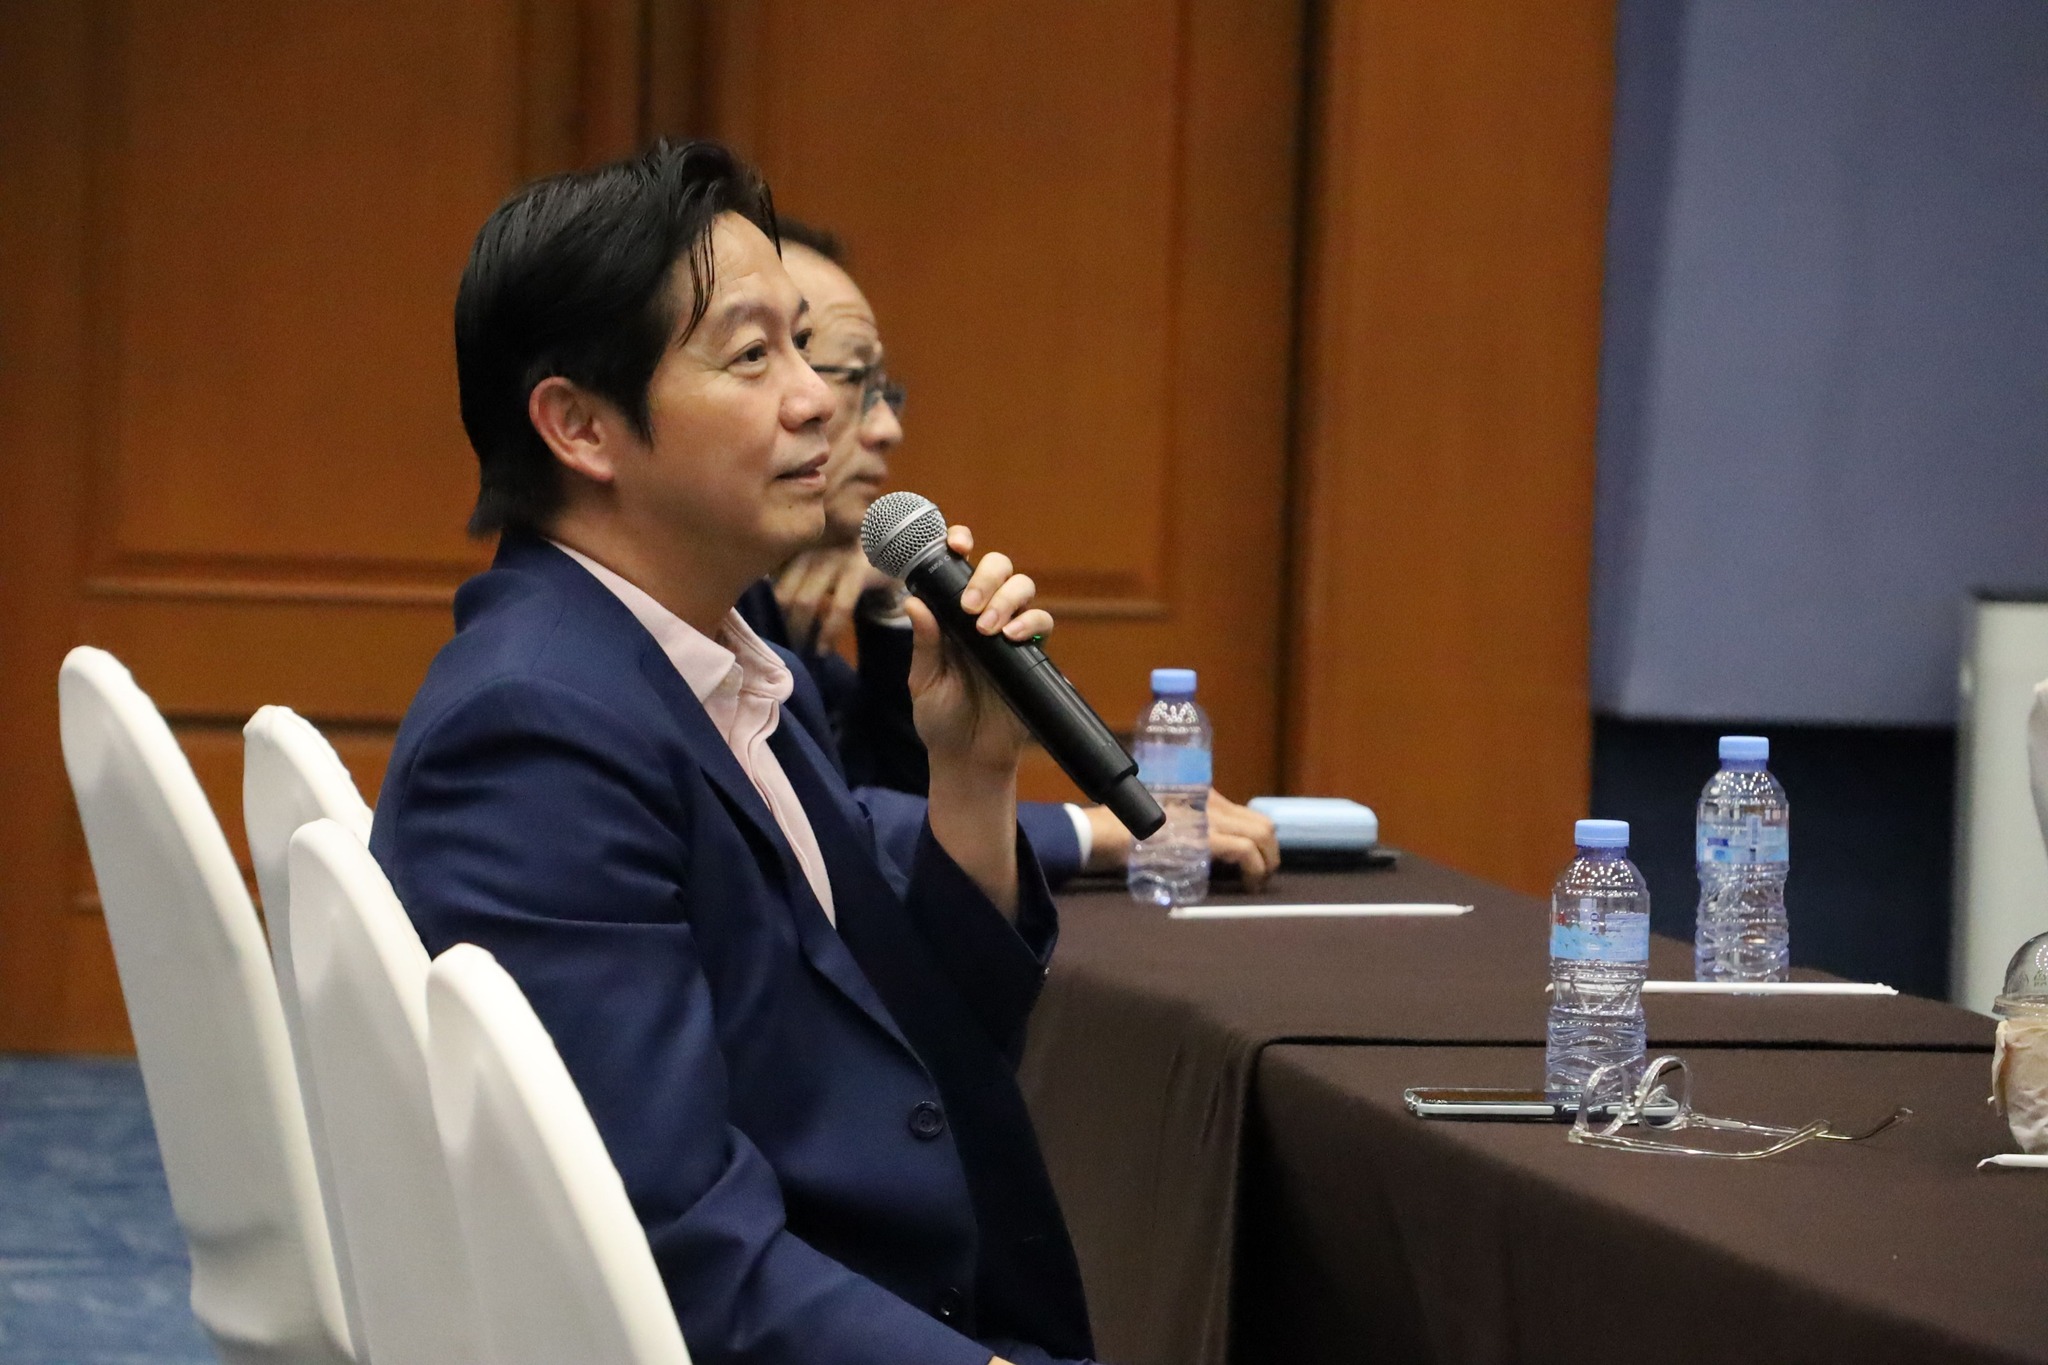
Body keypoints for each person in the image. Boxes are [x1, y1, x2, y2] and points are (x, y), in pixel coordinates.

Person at [371, 140, 1093, 1365]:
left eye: (805, 350)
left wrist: (972, 778)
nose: (817, 402)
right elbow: (665, 1254)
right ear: (580, 426)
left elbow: (929, 1048)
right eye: (752, 357)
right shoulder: (536, 736)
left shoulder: (711, 659)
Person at [744, 220, 1282, 889]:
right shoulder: (717, 596)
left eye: (886, 390)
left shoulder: (797, 590)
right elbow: (826, 830)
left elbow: (903, 823)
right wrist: (1092, 831)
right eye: (857, 381)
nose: (887, 428)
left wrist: (893, 610)